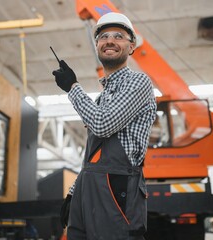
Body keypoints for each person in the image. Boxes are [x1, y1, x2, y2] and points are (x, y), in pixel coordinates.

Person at [52, 12, 157, 239]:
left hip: (117, 189)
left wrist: (73, 87)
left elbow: (102, 124)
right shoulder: (101, 99)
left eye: (118, 36)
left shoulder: (139, 82)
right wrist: (74, 192)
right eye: (103, 36)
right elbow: (92, 156)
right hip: (87, 190)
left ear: (131, 47)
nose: (109, 40)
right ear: (97, 45)